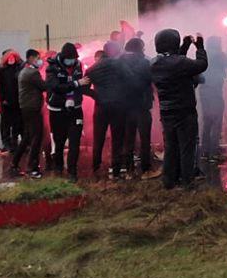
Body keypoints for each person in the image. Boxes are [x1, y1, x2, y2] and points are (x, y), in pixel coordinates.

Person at [151, 30, 208, 189]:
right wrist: (200, 47)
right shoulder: (180, 63)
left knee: (171, 147)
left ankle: (169, 181)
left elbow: (176, 62)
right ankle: (187, 181)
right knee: (187, 148)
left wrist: (185, 46)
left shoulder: (154, 63)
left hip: (166, 111)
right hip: (185, 111)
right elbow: (201, 65)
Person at [45, 43, 90, 181]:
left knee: (74, 142)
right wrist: (76, 84)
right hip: (57, 110)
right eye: (69, 59)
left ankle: (72, 172)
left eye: (74, 59)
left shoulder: (78, 65)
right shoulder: (52, 68)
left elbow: (82, 83)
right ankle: (58, 167)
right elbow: (56, 87)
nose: (72, 62)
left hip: (75, 109)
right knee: (59, 142)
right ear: (63, 58)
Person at [88, 45, 131, 179]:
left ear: (97, 58)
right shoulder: (119, 64)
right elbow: (130, 79)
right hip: (118, 106)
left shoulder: (92, 69)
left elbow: (83, 88)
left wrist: (95, 95)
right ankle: (116, 169)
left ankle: (96, 168)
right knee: (117, 138)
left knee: (98, 138)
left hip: (101, 107)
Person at [121, 37, 160, 178]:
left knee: (128, 140)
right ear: (139, 48)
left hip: (125, 107)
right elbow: (153, 81)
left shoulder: (119, 63)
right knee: (145, 139)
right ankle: (146, 169)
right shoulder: (145, 63)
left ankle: (129, 171)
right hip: (142, 106)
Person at [11, 49, 47, 178]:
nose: (39, 60)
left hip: (26, 107)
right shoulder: (32, 73)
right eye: (37, 58)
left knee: (27, 137)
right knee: (36, 138)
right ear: (31, 58)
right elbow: (44, 86)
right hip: (32, 108)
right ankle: (33, 168)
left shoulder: (24, 71)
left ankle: (14, 162)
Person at [200, 36, 227, 164]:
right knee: (216, 122)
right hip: (215, 91)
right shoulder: (219, 55)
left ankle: (205, 151)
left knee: (207, 121)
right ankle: (213, 153)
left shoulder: (204, 55)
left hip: (204, 90)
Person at [0, 50, 24, 152]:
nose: (11, 60)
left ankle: (15, 141)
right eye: (9, 58)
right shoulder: (2, 71)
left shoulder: (20, 68)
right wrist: (3, 98)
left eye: (13, 57)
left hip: (18, 100)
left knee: (18, 122)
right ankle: (6, 142)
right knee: (6, 123)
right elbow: (0, 86)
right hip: (7, 101)